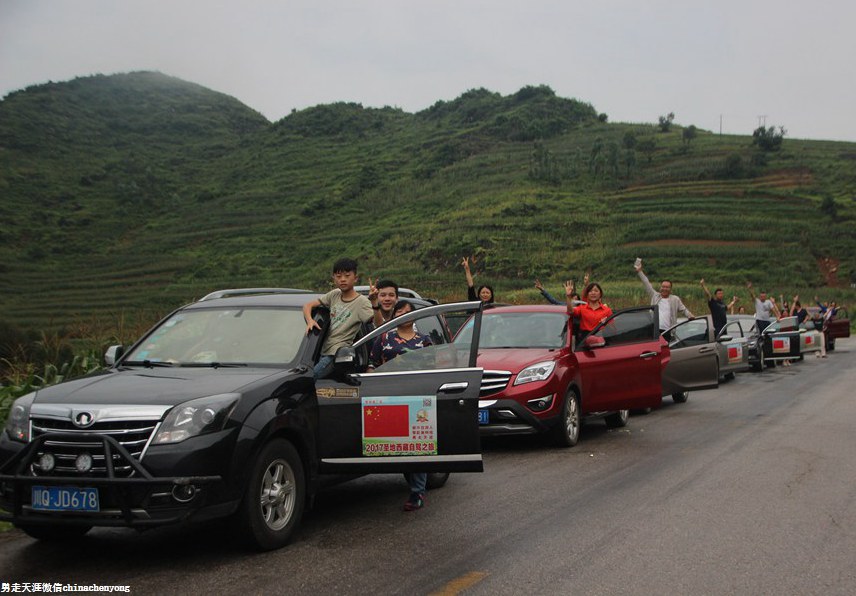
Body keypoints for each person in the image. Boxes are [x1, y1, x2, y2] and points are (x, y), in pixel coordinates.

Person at [368, 300, 433, 511]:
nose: (405, 314)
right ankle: (412, 482)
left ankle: (417, 492)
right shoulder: (383, 338)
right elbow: (372, 366)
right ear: (394, 315)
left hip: (417, 400)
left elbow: (433, 370)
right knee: (396, 446)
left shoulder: (424, 340)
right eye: (400, 311)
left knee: (417, 447)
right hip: (389, 398)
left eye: (408, 311)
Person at [302, 258, 373, 379]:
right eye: (338, 276)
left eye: (347, 275)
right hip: (321, 351)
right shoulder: (334, 295)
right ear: (333, 278)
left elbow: (374, 322)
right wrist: (310, 320)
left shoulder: (362, 302)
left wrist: (375, 302)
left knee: (309, 379)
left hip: (337, 354)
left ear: (355, 278)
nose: (343, 279)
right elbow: (308, 305)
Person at [634, 258, 693, 338]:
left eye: (667, 287)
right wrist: (639, 271)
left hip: (668, 331)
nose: (664, 289)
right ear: (660, 287)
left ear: (670, 290)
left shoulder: (675, 299)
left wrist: (689, 315)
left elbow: (684, 310)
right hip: (654, 330)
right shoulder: (655, 296)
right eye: (663, 286)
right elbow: (646, 283)